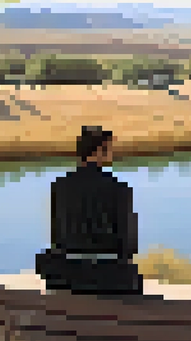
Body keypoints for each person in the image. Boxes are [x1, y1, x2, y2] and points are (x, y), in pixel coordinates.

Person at [36, 126, 144, 295]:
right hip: (108, 277)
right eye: (109, 149)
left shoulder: (60, 186)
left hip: (66, 276)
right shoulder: (118, 188)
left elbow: (56, 235)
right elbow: (128, 241)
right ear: (100, 150)